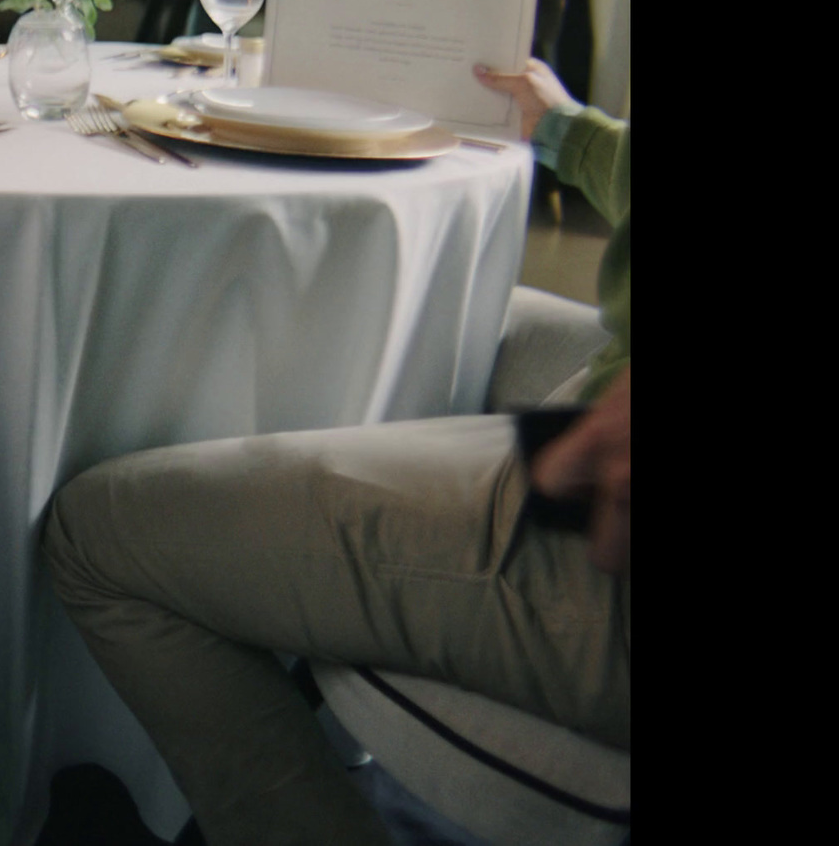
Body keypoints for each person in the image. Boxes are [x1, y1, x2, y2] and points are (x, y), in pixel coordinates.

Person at [40, 58, 629, 845]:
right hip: (600, 378)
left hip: (601, 533)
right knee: (402, 303)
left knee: (96, 535)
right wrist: (570, 132)